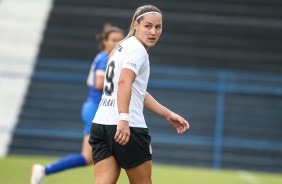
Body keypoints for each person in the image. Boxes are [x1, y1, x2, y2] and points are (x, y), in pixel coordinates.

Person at [88, 4, 190, 184]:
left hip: (101, 125)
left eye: (158, 27)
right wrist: (124, 119)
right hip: (128, 128)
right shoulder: (138, 51)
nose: (153, 32)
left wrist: (168, 114)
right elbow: (124, 82)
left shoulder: (122, 47)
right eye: (148, 26)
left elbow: (138, 93)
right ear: (136, 24)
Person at [30, 24, 124, 184]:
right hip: (95, 109)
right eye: (113, 40)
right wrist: (124, 84)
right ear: (105, 42)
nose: (116, 44)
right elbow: (100, 84)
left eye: (120, 41)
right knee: (116, 150)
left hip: (93, 107)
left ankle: (44, 170)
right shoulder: (105, 58)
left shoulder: (106, 57)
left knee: (88, 157)